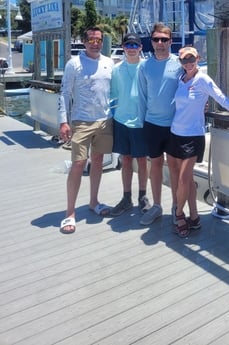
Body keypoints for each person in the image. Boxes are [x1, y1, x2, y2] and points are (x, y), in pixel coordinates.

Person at [168, 46, 229, 238]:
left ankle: (178, 214)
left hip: (193, 136)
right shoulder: (180, 79)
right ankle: (194, 216)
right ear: (181, 63)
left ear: (198, 57)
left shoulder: (203, 79)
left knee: (184, 178)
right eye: (184, 60)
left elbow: (222, 99)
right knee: (184, 180)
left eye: (191, 59)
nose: (188, 63)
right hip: (175, 133)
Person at [58, 27, 114, 234]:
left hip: (105, 121)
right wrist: (63, 122)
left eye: (98, 39)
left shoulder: (109, 63)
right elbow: (64, 93)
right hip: (81, 121)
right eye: (91, 39)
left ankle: (93, 202)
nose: (95, 43)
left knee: (98, 161)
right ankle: (70, 213)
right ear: (84, 41)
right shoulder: (74, 64)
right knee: (78, 164)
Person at [137, 23, 182, 226]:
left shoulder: (180, 63)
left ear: (170, 41)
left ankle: (175, 206)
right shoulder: (144, 66)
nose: (160, 43)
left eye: (164, 39)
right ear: (151, 42)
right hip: (152, 124)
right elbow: (141, 97)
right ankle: (156, 205)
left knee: (173, 166)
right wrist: (141, 123)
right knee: (154, 165)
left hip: (175, 126)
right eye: (156, 39)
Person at [110, 33, 150, 217]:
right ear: (123, 48)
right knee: (125, 160)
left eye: (135, 45)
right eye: (128, 45)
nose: (132, 48)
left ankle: (143, 196)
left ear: (140, 47)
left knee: (142, 160)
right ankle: (126, 198)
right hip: (121, 120)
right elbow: (113, 94)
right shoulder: (117, 69)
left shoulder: (147, 67)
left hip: (141, 121)